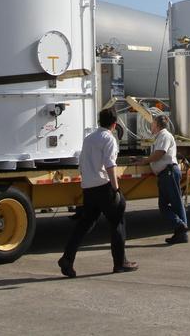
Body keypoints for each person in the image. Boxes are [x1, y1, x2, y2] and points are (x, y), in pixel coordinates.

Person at [58, 108, 138, 277]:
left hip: (88, 187)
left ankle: (67, 257)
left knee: (84, 224)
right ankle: (120, 263)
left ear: (99, 121)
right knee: (117, 222)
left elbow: (82, 163)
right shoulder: (109, 139)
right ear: (114, 124)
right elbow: (110, 164)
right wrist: (116, 189)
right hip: (104, 186)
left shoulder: (88, 139)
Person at [135, 114, 188, 243]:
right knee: (164, 205)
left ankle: (181, 227)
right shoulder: (160, 137)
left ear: (157, 125)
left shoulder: (164, 135)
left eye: (152, 123)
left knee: (175, 203)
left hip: (168, 173)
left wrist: (145, 161)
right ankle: (180, 229)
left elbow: (160, 153)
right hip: (165, 174)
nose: (151, 126)